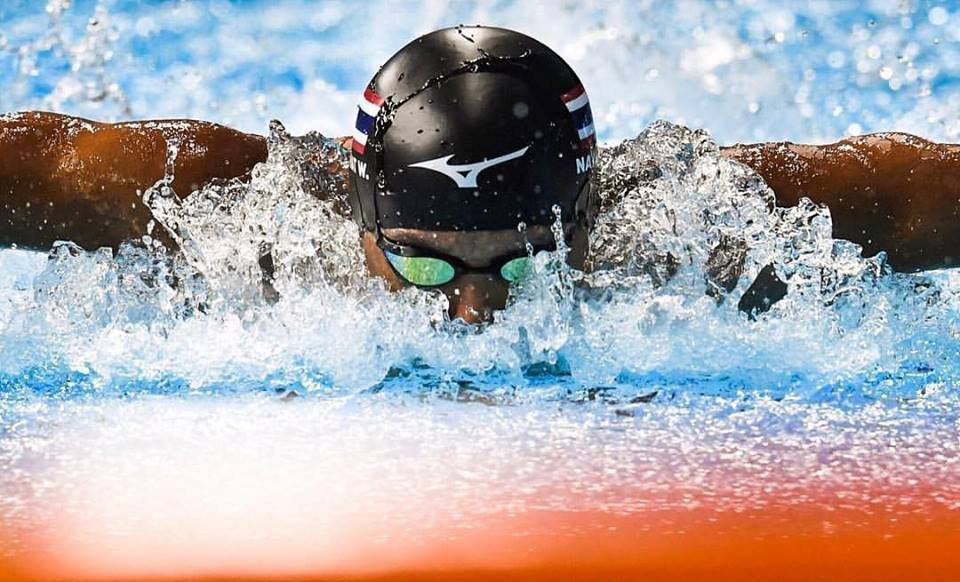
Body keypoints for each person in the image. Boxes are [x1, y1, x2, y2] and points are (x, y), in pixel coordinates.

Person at [2, 25, 960, 323]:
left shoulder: (697, 230)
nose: (474, 315)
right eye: (423, 265)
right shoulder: (234, 217)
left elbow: (919, 194)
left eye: (525, 265)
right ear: (364, 223)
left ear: (585, 224)